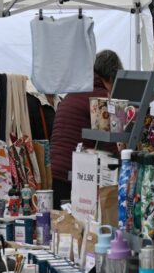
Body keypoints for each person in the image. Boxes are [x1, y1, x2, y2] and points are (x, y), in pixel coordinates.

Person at [50, 49, 123, 205]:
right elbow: (108, 143)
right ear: (111, 77)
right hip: (73, 176)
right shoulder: (101, 97)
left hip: (55, 172)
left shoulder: (76, 91)